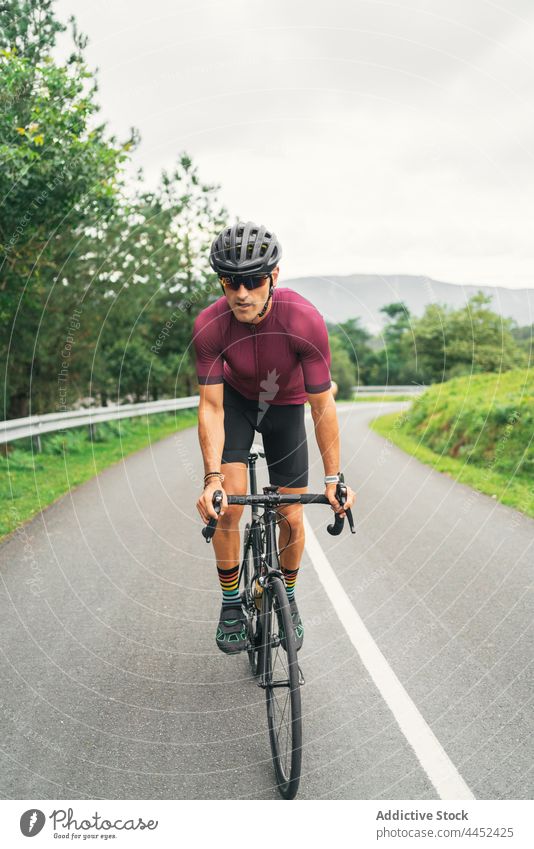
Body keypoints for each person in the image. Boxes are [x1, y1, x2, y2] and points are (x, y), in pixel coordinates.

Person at [193, 221, 355, 654]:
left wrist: (334, 478)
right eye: (231, 282)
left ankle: (290, 596)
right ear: (222, 282)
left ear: (274, 278)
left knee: (292, 513)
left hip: (287, 405)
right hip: (237, 403)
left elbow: (322, 407)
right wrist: (212, 480)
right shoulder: (209, 325)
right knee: (228, 507)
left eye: (253, 281)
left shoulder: (304, 320)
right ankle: (231, 603)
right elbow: (210, 407)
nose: (242, 293)